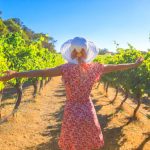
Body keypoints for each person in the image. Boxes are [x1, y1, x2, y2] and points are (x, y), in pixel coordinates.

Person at [0, 37, 144, 150]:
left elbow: (41, 72)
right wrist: (134, 64)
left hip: (72, 111)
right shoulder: (94, 68)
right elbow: (117, 67)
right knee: (89, 141)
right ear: (87, 51)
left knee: (73, 142)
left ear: (71, 52)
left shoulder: (65, 68)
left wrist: (15, 74)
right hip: (88, 109)